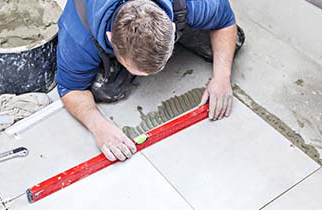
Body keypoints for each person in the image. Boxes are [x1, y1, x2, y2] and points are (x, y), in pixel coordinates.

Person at [56, 0, 245, 162]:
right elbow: (70, 88)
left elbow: (225, 20)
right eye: (138, 70)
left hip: (179, 12)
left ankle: (180, 31)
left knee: (229, 42)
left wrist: (222, 77)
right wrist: (98, 126)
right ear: (111, 38)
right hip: (94, 34)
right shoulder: (78, 33)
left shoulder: (191, 2)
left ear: (171, 26)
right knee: (103, 88)